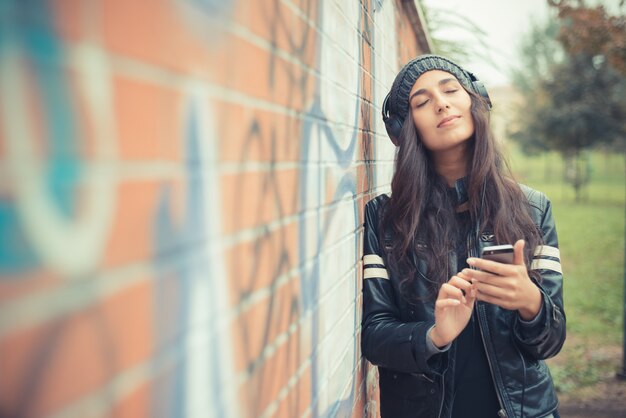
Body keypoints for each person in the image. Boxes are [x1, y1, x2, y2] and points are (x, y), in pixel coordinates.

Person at [361, 55, 565, 418]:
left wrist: (530, 301)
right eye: (422, 102)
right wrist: (434, 335)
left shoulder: (532, 209)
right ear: (405, 128)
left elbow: (550, 340)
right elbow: (375, 337)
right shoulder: (386, 218)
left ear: (475, 101)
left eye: (451, 90)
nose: (441, 103)